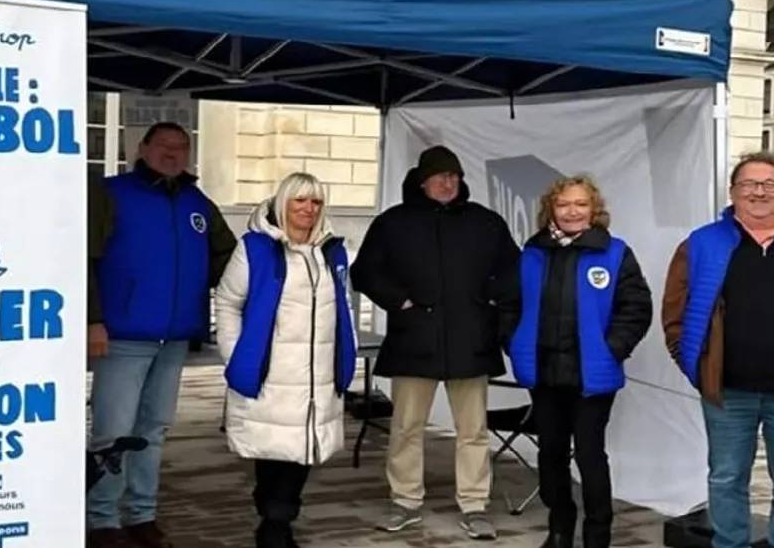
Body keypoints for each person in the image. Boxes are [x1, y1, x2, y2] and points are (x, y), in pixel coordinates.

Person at [661, 151, 774, 548]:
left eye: (769, 184)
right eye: (748, 184)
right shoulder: (702, 243)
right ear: (733, 192)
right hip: (727, 393)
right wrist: (697, 365)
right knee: (726, 479)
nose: (759, 192)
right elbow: (674, 313)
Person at [350, 145, 519, 540]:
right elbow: (365, 271)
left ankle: (475, 504)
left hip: (471, 337)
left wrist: (490, 296)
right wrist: (399, 300)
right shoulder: (394, 223)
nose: (448, 182)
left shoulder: (486, 222)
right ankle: (404, 501)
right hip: (414, 339)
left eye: (454, 176)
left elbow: (515, 268)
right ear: (422, 181)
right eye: (441, 176)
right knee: (407, 426)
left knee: (473, 430)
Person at [87, 121, 238, 548]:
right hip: (121, 336)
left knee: (153, 429)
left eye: (182, 147)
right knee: (112, 432)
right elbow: (84, 257)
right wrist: (93, 319)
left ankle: (141, 515)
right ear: (142, 148)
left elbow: (228, 258)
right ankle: (102, 521)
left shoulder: (196, 202)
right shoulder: (111, 193)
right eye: (164, 146)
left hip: (173, 339)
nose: (173, 154)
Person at [498, 176, 653, 548]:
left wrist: (611, 348)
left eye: (581, 204)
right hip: (545, 373)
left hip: (591, 376)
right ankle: (560, 529)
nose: (572, 211)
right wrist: (513, 341)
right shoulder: (531, 253)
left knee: (589, 454)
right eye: (564, 204)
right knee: (550, 452)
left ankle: (597, 535)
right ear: (551, 209)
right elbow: (508, 305)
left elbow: (636, 308)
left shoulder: (615, 253)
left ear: (593, 210)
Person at [213, 172, 358, 548]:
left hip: (317, 373)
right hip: (271, 371)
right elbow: (228, 302)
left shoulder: (332, 251)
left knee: (303, 449)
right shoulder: (255, 248)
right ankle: (274, 521)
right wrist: (235, 354)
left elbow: (344, 306)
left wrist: (348, 353)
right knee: (273, 448)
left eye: (316, 202)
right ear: (284, 203)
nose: (309, 209)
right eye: (301, 201)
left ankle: (278, 520)